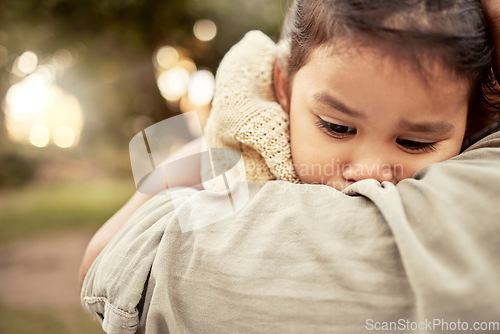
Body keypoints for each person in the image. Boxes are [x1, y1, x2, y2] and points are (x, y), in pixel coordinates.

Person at [80, 0, 500, 333]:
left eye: (415, 142)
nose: (370, 170)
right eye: (337, 127)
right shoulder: (227, 157)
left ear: (474, 121)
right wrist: (172, 171)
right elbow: (97, 268)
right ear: (283, 85)